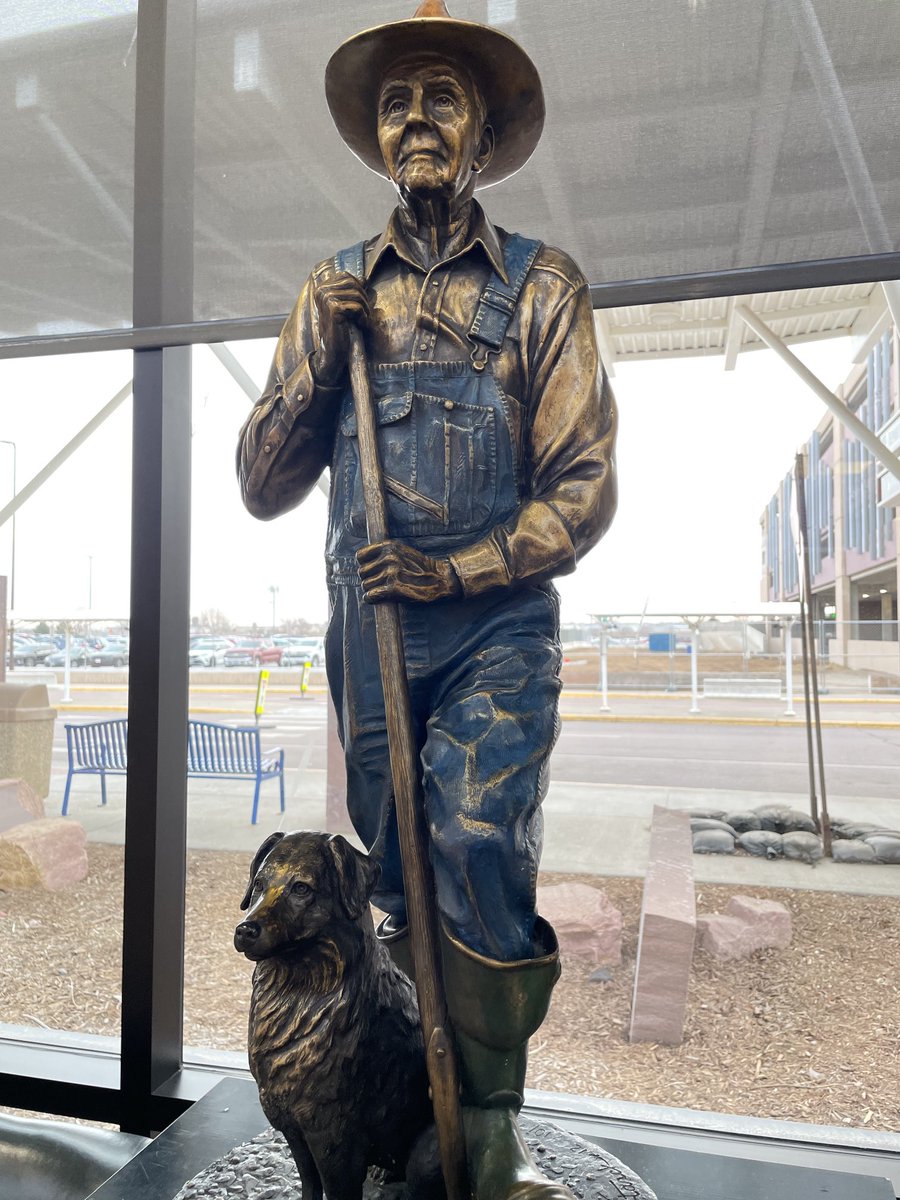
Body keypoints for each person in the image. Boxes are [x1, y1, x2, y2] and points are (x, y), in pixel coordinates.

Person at [237, 4, 616, 1196]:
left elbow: (585, 488)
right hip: (374, 640)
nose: (415, 121)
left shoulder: (542, 290)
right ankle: (411, 1108)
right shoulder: (339, 290)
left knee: (474, 842)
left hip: (494, 626)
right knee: (392, 875)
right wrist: (310, 362)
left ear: (487, 133)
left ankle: (490, 1129)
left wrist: (457, 570)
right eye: (396, 103)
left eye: (440, 98)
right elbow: (259, 481)